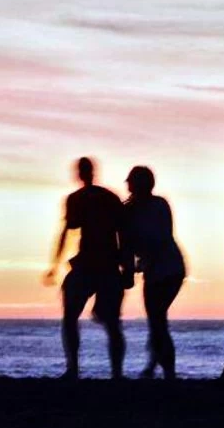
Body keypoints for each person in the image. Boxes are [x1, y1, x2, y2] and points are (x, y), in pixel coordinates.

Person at [43, 157, 129, 380]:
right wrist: (126, 267)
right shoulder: (107, 197)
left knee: (78, 318)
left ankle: (76, 369)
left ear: (81, 174)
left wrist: (54, 264)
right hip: (100, 264)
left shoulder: (80, 199)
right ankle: (106, 372)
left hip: (97, 264)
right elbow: (124, 234)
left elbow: (67, 231)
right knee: (104, 322)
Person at [122, 166, 186, 381]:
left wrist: (132, 269)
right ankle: (154, 366)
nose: (127, 185)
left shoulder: (150, 207)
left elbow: (152, 239)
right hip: (164, 268)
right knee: (157, 320)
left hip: (166, 269)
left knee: (157, 320)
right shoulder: (143, 207)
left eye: (130, 181)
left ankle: (166, 371)